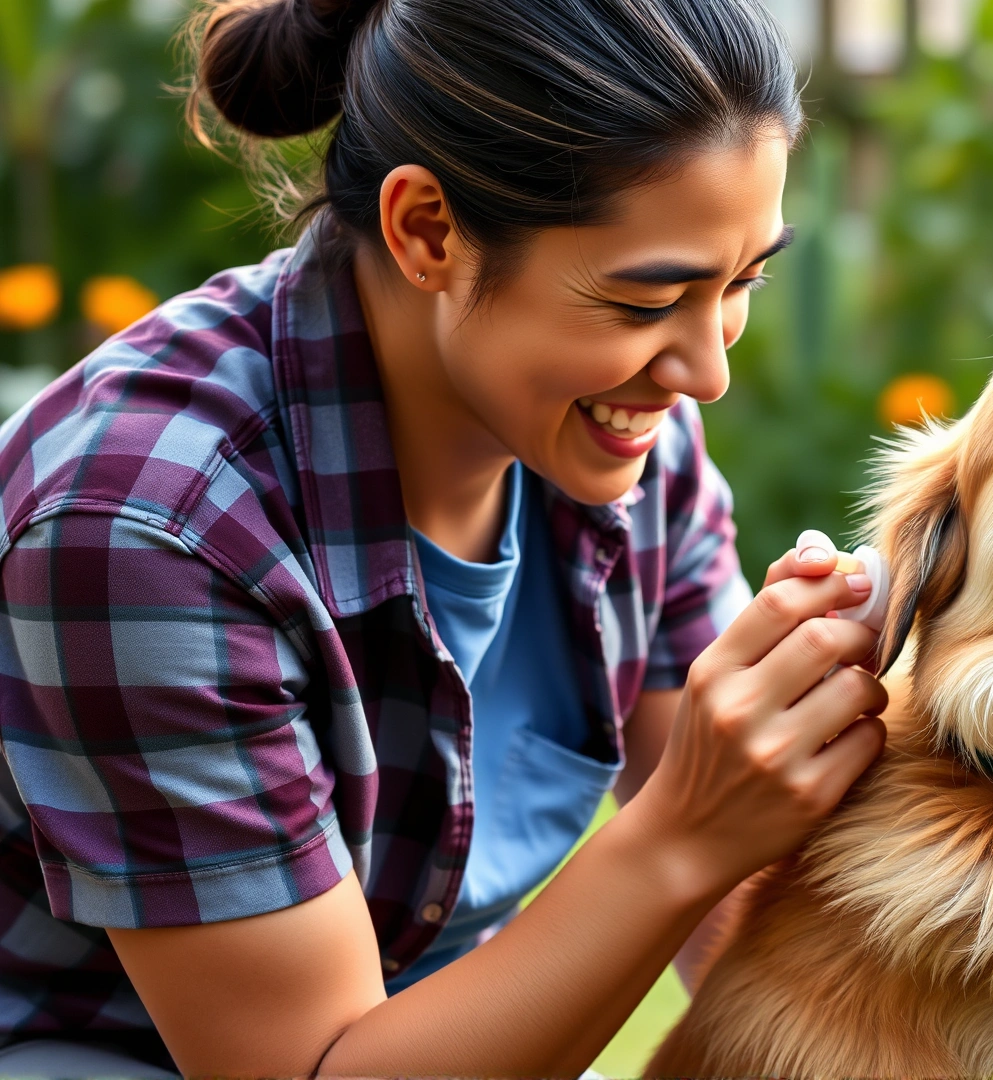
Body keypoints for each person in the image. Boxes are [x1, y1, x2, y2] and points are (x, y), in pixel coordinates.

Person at [0, 0, 889, 1074]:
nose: (707, 372)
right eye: (645, 299)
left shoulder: (621, 452)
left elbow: (752, 938)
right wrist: (685, 832)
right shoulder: (146, 524)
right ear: (428, 230)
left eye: (739, 283)